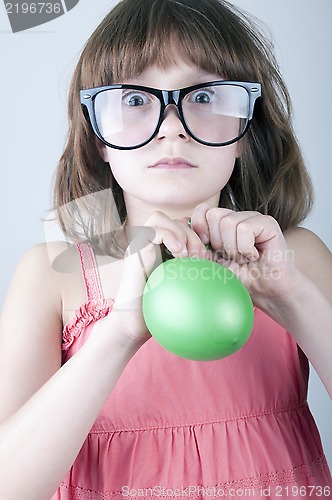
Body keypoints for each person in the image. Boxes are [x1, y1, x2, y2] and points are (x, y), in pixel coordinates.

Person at [0, 0, 331, 498]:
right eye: (134, 100)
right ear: (98, 139)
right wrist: (119, 333)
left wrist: (294, 301)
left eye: (206, 96)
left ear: (246, 131)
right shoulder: (54, 272)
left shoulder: (294, 254)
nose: (173, 127)